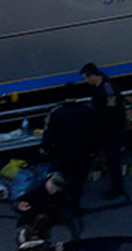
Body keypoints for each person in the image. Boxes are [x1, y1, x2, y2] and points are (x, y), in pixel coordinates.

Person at [81, 62, 132, 199]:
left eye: (86, 78)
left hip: (111, 130)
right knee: (109, 157)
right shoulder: (102, 87)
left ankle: (117, 188)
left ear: (92, 76)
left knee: (113, 159)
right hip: (108, 129)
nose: (85, 81)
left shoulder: (108, 89)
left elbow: (111, 112)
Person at [40, 89, 99, 218]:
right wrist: (94, 150)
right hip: (82, 152)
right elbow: (94, 132)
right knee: (78, 181)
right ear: (77, 96)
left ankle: (59, 209)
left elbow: (49, 132)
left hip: (62, 152)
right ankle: (75, 207)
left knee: (59, 180)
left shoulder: (56, 113)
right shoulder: (87, 111)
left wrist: (45, 147)